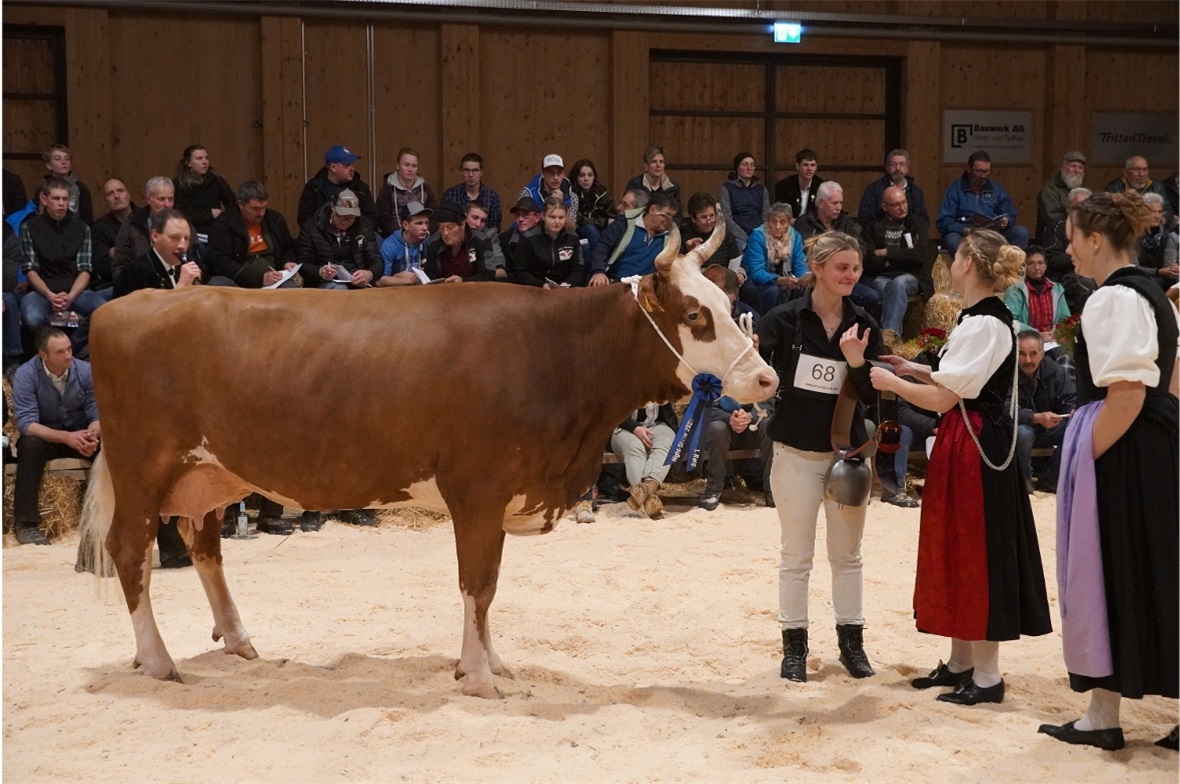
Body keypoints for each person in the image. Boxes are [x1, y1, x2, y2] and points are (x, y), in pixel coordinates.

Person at [869, 228, 1052, 707]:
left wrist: (893, 383)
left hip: (976, 444)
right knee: (954, 546)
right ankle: (960, 662)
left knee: (976, 551)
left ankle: (987, 677)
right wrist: (912, 369)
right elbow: (956, 381)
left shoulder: (987, 323)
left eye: (956, 255)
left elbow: (945, 397)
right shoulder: (978, 319)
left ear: (969, 262)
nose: (949, 261)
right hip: (965, 439)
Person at [1037, 190, 1178, 753]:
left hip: (1124, 446)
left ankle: (1102, 715)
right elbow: (1171, 379)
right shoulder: (1157, 295)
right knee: (1156, 570)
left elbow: (1126, 392)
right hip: (1157, 442)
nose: (1068, 248)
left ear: (1096, 240)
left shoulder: (1111, 299)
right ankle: (1103, 709)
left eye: (1072, 237)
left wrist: (1083, 461)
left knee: (1109, 571)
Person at [755, 231, 884, 683]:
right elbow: (755, 373)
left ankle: (853, 646)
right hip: (794, 454)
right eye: (842, 267)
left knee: (847, 555)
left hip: (846, 456)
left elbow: (874, 394)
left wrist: (855, 362)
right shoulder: (783, 319)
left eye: (855, 268)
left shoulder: (865, 323)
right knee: (796, 556)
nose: (850, 275)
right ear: (818, 268)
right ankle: (794, 648)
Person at [10, 328, 100, 547]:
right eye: (61, 352)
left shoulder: (86, 371)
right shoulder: (25, 374)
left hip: (81, 433)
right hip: (47, 437)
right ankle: (27, 525)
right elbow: (26, 424)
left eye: (69, 349)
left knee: (111, 445)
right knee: (29, 446)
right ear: (43, 355)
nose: (69, 355)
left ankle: (110, 517)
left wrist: (92, 434)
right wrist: (67, 438)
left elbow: (97, 414)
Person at [698, 265, 773, 510]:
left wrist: (751, 414)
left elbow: (771, 392)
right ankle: (713, 488)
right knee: (719, 428)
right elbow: (698, 396)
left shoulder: (752, 327)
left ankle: (773, 490)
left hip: (750, 415)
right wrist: (729, 416)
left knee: (769, 424)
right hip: (718, 417)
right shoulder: (702, 342)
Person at [19, 178, 105, 359]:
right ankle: (47, 356)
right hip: (42, 291)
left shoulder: (82, 228)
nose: (61, 204)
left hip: (76, 290)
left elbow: (85, 269)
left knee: (102, 310)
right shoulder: (30, 227)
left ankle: (73, 351)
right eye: (56, 198)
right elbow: (30, 269)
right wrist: (50, 296)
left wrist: (71, 296)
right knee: (32, 317)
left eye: (65, 199)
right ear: (44, 199)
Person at [862, 185, 934, 349]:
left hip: (911, 276)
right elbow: (869, 258)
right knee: (889, 288)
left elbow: (920, 255)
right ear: (884, 207)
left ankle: (886, 336)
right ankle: (894, 337)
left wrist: (887, 252)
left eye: (904, 202)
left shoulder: (917, 224)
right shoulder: (873, 226)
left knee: (899, 284)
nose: (902, 207)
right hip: (881, 276)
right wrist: (903, 255)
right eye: (896, 205)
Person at [795, 182, 879, 310]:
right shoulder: (804, 222)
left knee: (872, 296)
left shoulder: (845, 222)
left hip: (845, 275)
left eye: (840, 203)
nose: (839, 207)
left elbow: (860, 247)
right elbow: (810, 249)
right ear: (821, 203)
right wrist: (843, 251)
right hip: (817, 278)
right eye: (834, 203)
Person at [207, 180, 298, 289]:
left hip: (275, 278)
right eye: (255, 209)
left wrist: (287, 262)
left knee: (291, 288)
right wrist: (259, 279)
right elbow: (221, 262)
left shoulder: (274, 219)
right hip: (238, 281)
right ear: (241, 204)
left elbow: (289, 247)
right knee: (217, 284)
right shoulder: (224, 223)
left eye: (264, 207)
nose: (261, 213)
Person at [1013, 330, 1074, 494]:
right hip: (1020, 426)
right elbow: (1004, 409)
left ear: (1042, 353)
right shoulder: (1007, 373)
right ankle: (1023, 479)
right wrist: (1035, 417)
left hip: (1048, 426)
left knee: (1076, 429)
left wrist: (1072, 410)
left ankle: (1050, 479)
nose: (1027, 360)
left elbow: (1069, 397)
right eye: (1022, 354)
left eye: (1033, 354)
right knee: (1022, 433)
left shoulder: (1054, 370)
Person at [937, 150, 1029, 252]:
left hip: (992, 233)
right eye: (978, 171)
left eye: (986, 171)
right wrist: (965, 229)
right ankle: (967, 267)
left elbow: (1011, 213)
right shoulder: (954, 190)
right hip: (966, 234)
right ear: (968, 169)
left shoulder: (996, 189)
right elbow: (943, 222)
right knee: (952, 239)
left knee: (1021, 232)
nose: (983, 176)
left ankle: (1014, 267)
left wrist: (1006, 221)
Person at [299, 189, 382, 290]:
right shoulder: (312, 227)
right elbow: (302, 263)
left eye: (351, 218)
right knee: (339, 289)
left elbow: (376, 261)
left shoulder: (364, 227)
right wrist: (320, 271)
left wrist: (369, 274)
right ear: (333, 208)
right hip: (323, 282)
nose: (345, 222)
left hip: (356, 281)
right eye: (341, 216)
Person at [587, 192, 677, 285]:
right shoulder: (623, 224)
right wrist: (598, 272)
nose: (670, 221)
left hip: (646, 287)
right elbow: (602, 247)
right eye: (666, 215)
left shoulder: (672, 238)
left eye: (672, 217)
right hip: (616, 283)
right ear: (652, 209)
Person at [111, 208, 204, 297]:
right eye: (174, 238)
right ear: (155, 236)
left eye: (186, 238)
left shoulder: (181, 268)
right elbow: (148, 312)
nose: (182, 246)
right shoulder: (135, 273)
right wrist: (182, 286)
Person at [610, 403, 678, 520]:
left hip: (657, 424)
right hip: (621, 425)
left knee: (665, 442)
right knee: (634, 447)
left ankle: (646, 489)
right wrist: (634, 428)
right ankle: (648, 497)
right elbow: (610, 408)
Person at [297, 144, 378, 232]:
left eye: (352, 165)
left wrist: (355, 231)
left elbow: (373, 217)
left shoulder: (360, 188)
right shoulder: (314, 188)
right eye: (347, 165)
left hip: (356, 235)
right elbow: (304, 219)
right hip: (322, 237)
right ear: (333, 167)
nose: (352, 169)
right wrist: (326, 232)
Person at [742, 202, 806, 314]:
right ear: (767, 223)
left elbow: (800, 264)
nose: (778, 227)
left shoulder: (795, 236)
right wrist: (779, 280)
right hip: (761, 284)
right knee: (773, 291)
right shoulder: (758, 236)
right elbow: (756, 272)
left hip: (786, 279)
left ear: (789, 223)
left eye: (782, 222)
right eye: (773, 222)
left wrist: (802, 279)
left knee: (803, 290)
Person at [508, 196, 584, 287]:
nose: (557, 222)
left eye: (561, 217)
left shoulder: (573, 238)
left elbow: (578, 269)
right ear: (543, 216)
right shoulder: (528, 238)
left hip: (564, 288)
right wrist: (542, 284)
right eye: (552, 217)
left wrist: (567, 284)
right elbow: (520, 271)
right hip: (535, 288)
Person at [1044, 187, 1098, 315]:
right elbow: (1051, 256)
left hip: (1094, 270)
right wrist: (1080, 257)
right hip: (1065, 274)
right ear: (1068, 207)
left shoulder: (1097, 224)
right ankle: (1081, 325)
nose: (1082, 210)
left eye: (1086, 206)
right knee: (1086, 283)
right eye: (1078, 206)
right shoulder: (1058, 224)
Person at [111, 176, 176, 280]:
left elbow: (195, 260)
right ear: (149, 199)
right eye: (161, 199)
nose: (167, 204)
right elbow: (120, 266)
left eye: (170, 199)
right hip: (140, 286)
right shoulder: (132, 225)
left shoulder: (182, 224)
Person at [1003, 245, 1070, 338]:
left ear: (1046, 265)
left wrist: (1057, 333)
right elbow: (1009, 320)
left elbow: (1065, 319)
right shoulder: (1015, 290)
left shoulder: (1057, 289)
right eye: (1031, 263)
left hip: (1051, 340)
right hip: (1025, 339)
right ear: (1024, 266)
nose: (1037, 267)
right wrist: (1037, 334)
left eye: (1040, 263)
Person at [172, 144, 235, 240]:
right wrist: (209, 214)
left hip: (216, 230)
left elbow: (232, 201)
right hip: (191, 232)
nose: (205, 162)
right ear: (189, 163)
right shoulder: (179, 184)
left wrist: (225, 218)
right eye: (199, 158)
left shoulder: (216, 180)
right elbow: (181, 214)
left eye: (206, 158)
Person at [422, 204, 496, 283]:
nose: (445, 233)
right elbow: (431, 274)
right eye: (441, 228)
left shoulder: (481, 241)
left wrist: (462, 280)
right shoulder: (435, 244)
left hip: (474, 291)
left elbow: (488, 275)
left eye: (450, 227)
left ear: (463, 224)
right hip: (443, 291)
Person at [856, 148, 929, 227]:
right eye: (893, 164)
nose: (897, 168)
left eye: (902, 164)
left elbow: (922, 220)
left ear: (907, 168)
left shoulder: (915, 192)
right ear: (887, 168)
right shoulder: (874, 189)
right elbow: (865, 218)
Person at [376, 147, 439, 237]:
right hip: (395, 237)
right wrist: (405, 236)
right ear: (398, 166)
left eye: (414, 166)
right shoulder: (387, 190)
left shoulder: (425, 188)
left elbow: (435, 216)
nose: (410, 169)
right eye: (406, 165)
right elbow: (385, 221)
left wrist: (426, 232)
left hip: (423, 235)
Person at [88, 177, 134, 295]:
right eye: (110, 193)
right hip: (113, 284)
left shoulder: (145, 218)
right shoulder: (98, 227)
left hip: (147, 281)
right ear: (106, 200)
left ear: (128, 194)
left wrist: (117, 252)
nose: (116, 196)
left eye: (120, 191)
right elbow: (102, 266)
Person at [717, 151, 769, 249]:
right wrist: (745, 237)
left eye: (752, 165)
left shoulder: (761, 190)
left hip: (759, 234)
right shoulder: (726, 189)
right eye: (745, 164)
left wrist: (759, 235)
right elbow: (726, 219)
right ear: (737, 168)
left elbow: (765, 217)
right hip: (737, 236)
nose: (749, 168)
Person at [440, 152, 503, 232]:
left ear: (481, 172)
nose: (471, 175)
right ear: (462, 172)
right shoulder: (450, 195)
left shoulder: (492, 197)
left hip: (485, 240)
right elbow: (445, 223)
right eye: (466, 170)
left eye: (475, 170)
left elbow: (495, 228)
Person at [1036, 151, 1086, 244]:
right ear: (1062, 167)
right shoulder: (1049, 190)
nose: (1077, 170)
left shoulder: (1083, 190)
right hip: (1053, 240)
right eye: (1073, 166)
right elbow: (1051, 218)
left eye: (1080, 168)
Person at [520, 154, 578, 233]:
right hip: (533, 235)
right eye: (551, 173)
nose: (556, 178)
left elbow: (571, 229)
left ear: (563, 174)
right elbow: (523, 223)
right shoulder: (528, 193)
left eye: (559, 173)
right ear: (543, 174)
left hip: (560, 237)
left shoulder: (572, 196)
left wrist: (561, 204)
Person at [569, 158, 613, 252]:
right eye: (582, 175)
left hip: (601, 229)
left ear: (594, 177)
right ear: (576, 177)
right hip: (579, 229)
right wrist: (604, 222)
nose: (586, 179)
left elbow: (611, 216)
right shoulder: (571, 194)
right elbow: (579, 220)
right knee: (590, 230)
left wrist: (606, 223)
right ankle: (599, 261)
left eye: (590, 175)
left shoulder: (602, 192)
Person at [41, 144, 92, 223]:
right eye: (58, 159)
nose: (64, 162)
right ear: (49, 165)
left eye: (67, 159)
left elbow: (87, 219)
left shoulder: (81, 188)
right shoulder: (42, 189)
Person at [1137, 192, 1175, 289]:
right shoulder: (1133, 235)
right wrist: (1158, 271)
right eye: (1152, 212)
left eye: (1159, 211)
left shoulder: (1165, 235)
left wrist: (1173, 270)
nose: (1157, 216)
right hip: (1137, 278)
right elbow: (1132, 268)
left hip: (1162, 279)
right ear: (1142, 212)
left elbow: (1169, 265)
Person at [773, 148, 824, 221]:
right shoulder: (784, 186)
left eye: (812, 165)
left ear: (816, 167)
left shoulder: (821, 187)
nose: (809, 169)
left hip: (813, 228)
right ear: (797, 166)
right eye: (805, 165)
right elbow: (782, 214)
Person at [463, 200, 508, 280]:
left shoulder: (490, 235)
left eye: (483, 221)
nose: (478, 224)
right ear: (464, 216)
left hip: (480, 283)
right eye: (475, 218)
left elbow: (502, 271)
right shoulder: (455, 233)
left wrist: (479, 275)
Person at [498, 197, 542, 266]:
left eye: (525, 215)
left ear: (537, 217)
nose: (520, 219)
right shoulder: (504, 238)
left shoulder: (545, 238)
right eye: (518, 214)